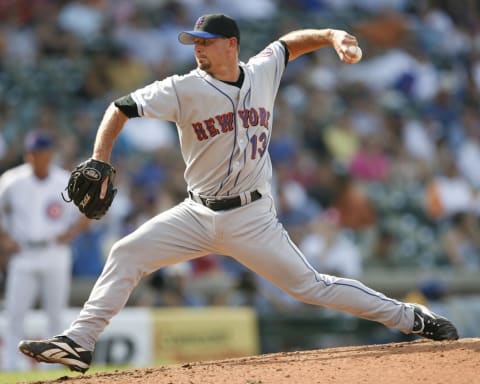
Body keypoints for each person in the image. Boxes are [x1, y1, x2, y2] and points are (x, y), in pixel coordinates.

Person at [19, 14, 458, 374]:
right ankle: (79, 342)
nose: (198, 49)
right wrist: (100, 159)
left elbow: (288, 44)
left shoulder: (262, 71)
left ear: (231, 44)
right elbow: (120, 107)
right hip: (195, 213)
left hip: (252, 218)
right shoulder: (183, 87)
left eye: (206, 42)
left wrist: (329, 35)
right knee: (127, 252)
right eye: (194, 42)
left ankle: (413, 317)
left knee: (311, 287)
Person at [0, 131, 90, 371]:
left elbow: (85, 215)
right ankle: (10, 363)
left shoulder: (64, 180)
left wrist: (71, 234)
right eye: (33, 152)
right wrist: (5, 239)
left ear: (50, 153)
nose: (36, 156)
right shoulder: (11, 180)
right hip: (24, 252)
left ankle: (53, 365)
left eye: (41, 151)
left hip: (55, 251)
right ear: (27, 154)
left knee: (55, 313)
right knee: (15, 312)